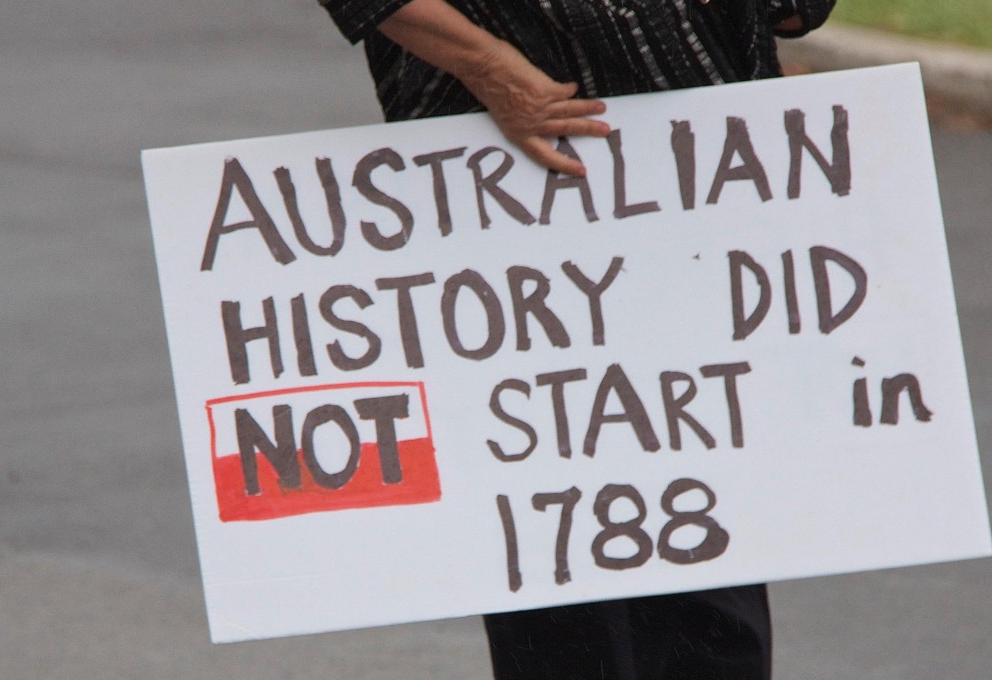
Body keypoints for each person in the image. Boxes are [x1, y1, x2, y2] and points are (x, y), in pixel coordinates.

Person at [319, 1, 836, 677]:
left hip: (704, 178)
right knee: (561, 560)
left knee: (711, 563)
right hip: (512, 178)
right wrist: (484, 64)